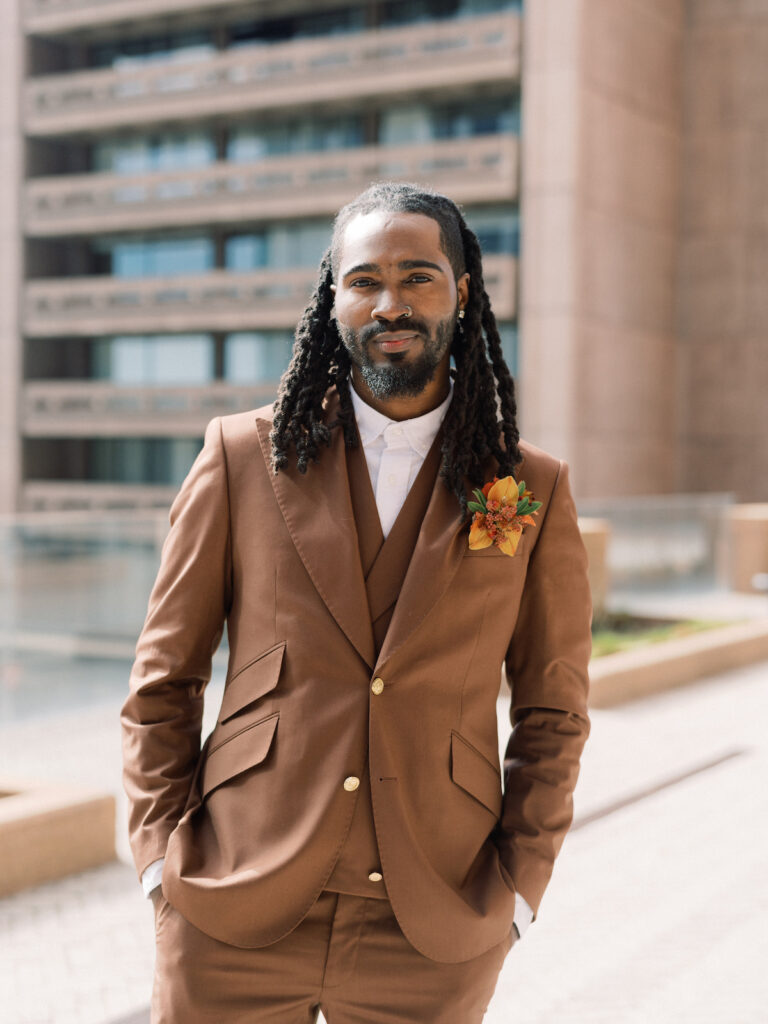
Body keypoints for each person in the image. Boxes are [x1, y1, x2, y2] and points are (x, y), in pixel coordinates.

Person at [121, 182, 592, 1023]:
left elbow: (554, 707)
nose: (390, 303)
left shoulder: (530, 488)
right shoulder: (240, 457)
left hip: (434, 925)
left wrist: (519, 888)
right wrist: (162, 860)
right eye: (365, 279)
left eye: (418, 277)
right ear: (333, 295)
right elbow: (164, 679)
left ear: (462, 291)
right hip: (234, 905)